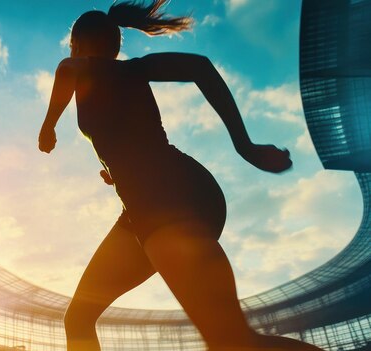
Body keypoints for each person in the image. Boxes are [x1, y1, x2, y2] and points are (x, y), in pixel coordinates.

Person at [37, 1, 323, 351]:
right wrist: (117, 173)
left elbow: (68, 70)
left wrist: (48, 127)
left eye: (72, 51)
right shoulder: (129, 73)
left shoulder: (92, 68)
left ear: (77, 45)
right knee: (78, 318)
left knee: (233, 342)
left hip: (168, 200)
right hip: (150, 205)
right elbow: (194, 73)